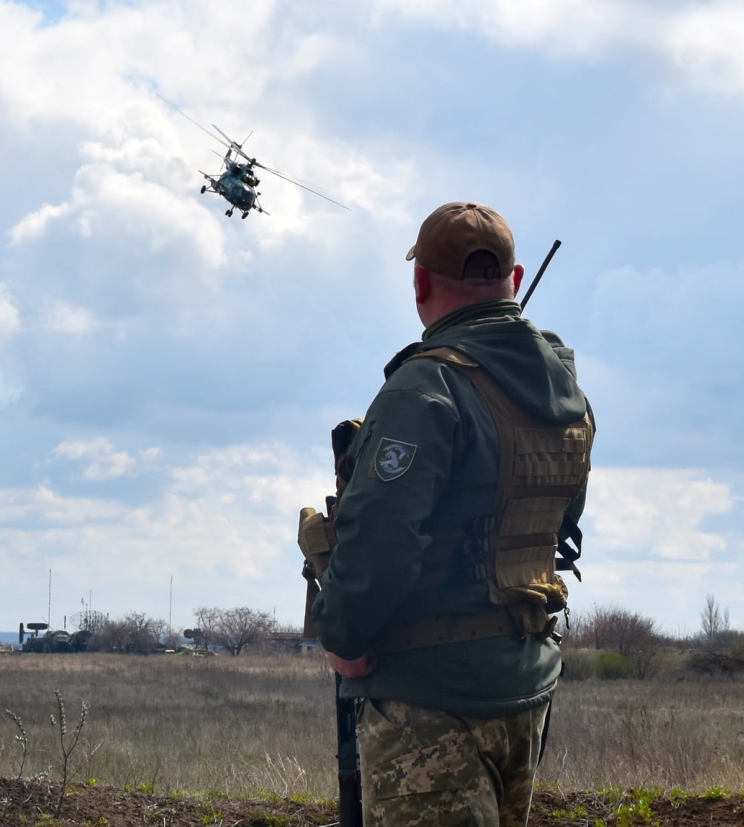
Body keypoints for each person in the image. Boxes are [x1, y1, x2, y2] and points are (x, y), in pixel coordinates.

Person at [311, 202, 594, 827]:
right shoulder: (565, 393)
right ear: (514, 282)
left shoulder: (426, 388)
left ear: (421, 283)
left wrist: (346, 639)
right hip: (524, 686)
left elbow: (381, 533)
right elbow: (563, 519)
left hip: (428, 695)